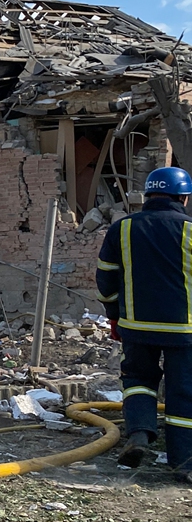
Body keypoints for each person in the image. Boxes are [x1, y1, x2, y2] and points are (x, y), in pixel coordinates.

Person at [96, 166, 192, 483]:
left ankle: (139, 433)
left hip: (135, 327)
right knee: (184, 393)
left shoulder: (122, 229)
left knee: (138, 379)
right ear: (184, 198)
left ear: (147, 196)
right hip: (185, 330)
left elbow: (105, 279)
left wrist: (113, 315)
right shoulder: (190, 230)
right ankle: (183, 463)